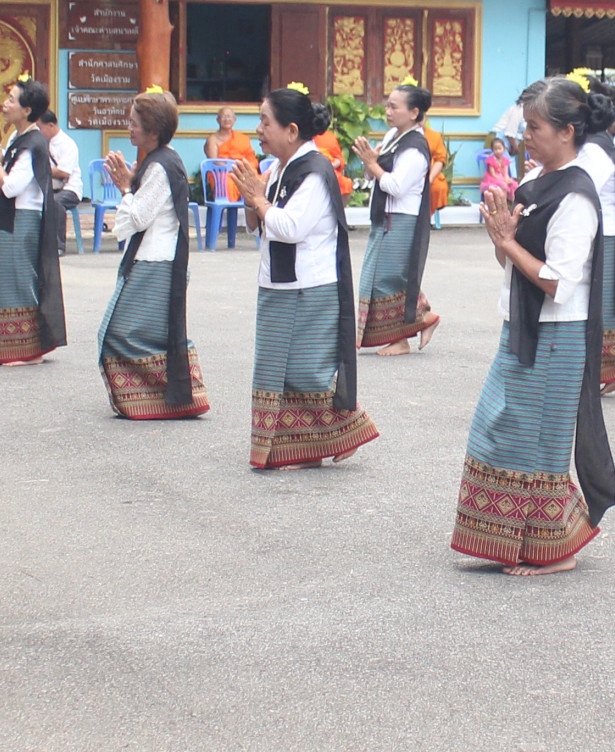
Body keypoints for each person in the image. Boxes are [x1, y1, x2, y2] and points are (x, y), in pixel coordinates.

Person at [455, 76, 615, 574]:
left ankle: (555, 551)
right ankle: (521, 539)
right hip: (523, 325)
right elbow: (512, 262)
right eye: (526, 125)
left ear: (567, 131)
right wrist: (501, 238)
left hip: (557, 333)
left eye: (535, 127)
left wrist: (508, 242)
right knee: (500, 427)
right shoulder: (535, 184)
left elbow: (557, 283)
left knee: (540, 440)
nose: (525, 136)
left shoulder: (576, 196)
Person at [239, 85, 377, 469]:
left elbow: (290, 228)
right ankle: (314, 442)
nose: (259, 129)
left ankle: (331, 437)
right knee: (277, 370)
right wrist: (252, 199)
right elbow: (259, 225)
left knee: (304, 373)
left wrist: (260, 200)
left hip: (310, 287)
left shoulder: (314, 172)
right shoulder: (277, 167)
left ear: (291, 130)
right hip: (279, 283)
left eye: (265, 122)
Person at [96, 91, 207, 419]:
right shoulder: (158, 159)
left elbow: (139, 217)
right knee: (142, 334)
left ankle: (175, 397)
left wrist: (125, 188)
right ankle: (163, 398)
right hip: (152, 258)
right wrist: (132, 183)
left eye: (134, 123)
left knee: (120, 332)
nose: (129, 128)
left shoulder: (161, 165)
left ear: (153, 131)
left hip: (157, 262)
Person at [0, 78, 67, 366]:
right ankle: (9, 347)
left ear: (27, 110)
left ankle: (28, 351)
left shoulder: (32, 143)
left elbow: (11, 187)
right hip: (13, 217)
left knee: (19, 280)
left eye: (11, 100)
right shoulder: (19, 139)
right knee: (5, 279)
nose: (5, 104)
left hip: (23, 217)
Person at [356, 83, 441, 355]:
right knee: (380, 276)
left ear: (414, 113)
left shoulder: (415, 148)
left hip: (401, 218)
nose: (388, 111)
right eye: (388, 105)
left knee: (387, 279)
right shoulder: (394, 135)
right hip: (386, 216)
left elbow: (396, 186)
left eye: (394, 106)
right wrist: (371, 163)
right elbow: (376, 175)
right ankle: (424, 317)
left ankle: (401, 339)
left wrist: (372, 164)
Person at [576, 81, 615, 390]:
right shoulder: (598, 144)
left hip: (606, 233)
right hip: (605, 230)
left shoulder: (593, 150)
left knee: (604, 300)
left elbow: (584, 188)